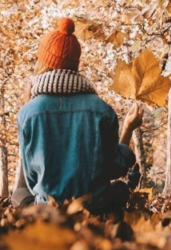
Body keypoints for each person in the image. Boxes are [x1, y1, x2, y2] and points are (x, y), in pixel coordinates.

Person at [11, 18, 143, 213]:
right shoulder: (102, 111)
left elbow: (31, 179)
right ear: (75, 65)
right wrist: (128, 129)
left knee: (18, 195)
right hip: (93, 207)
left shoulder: (28, 113)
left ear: (43, 63)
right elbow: (115, 169)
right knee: (121, 189)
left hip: (49, 210)